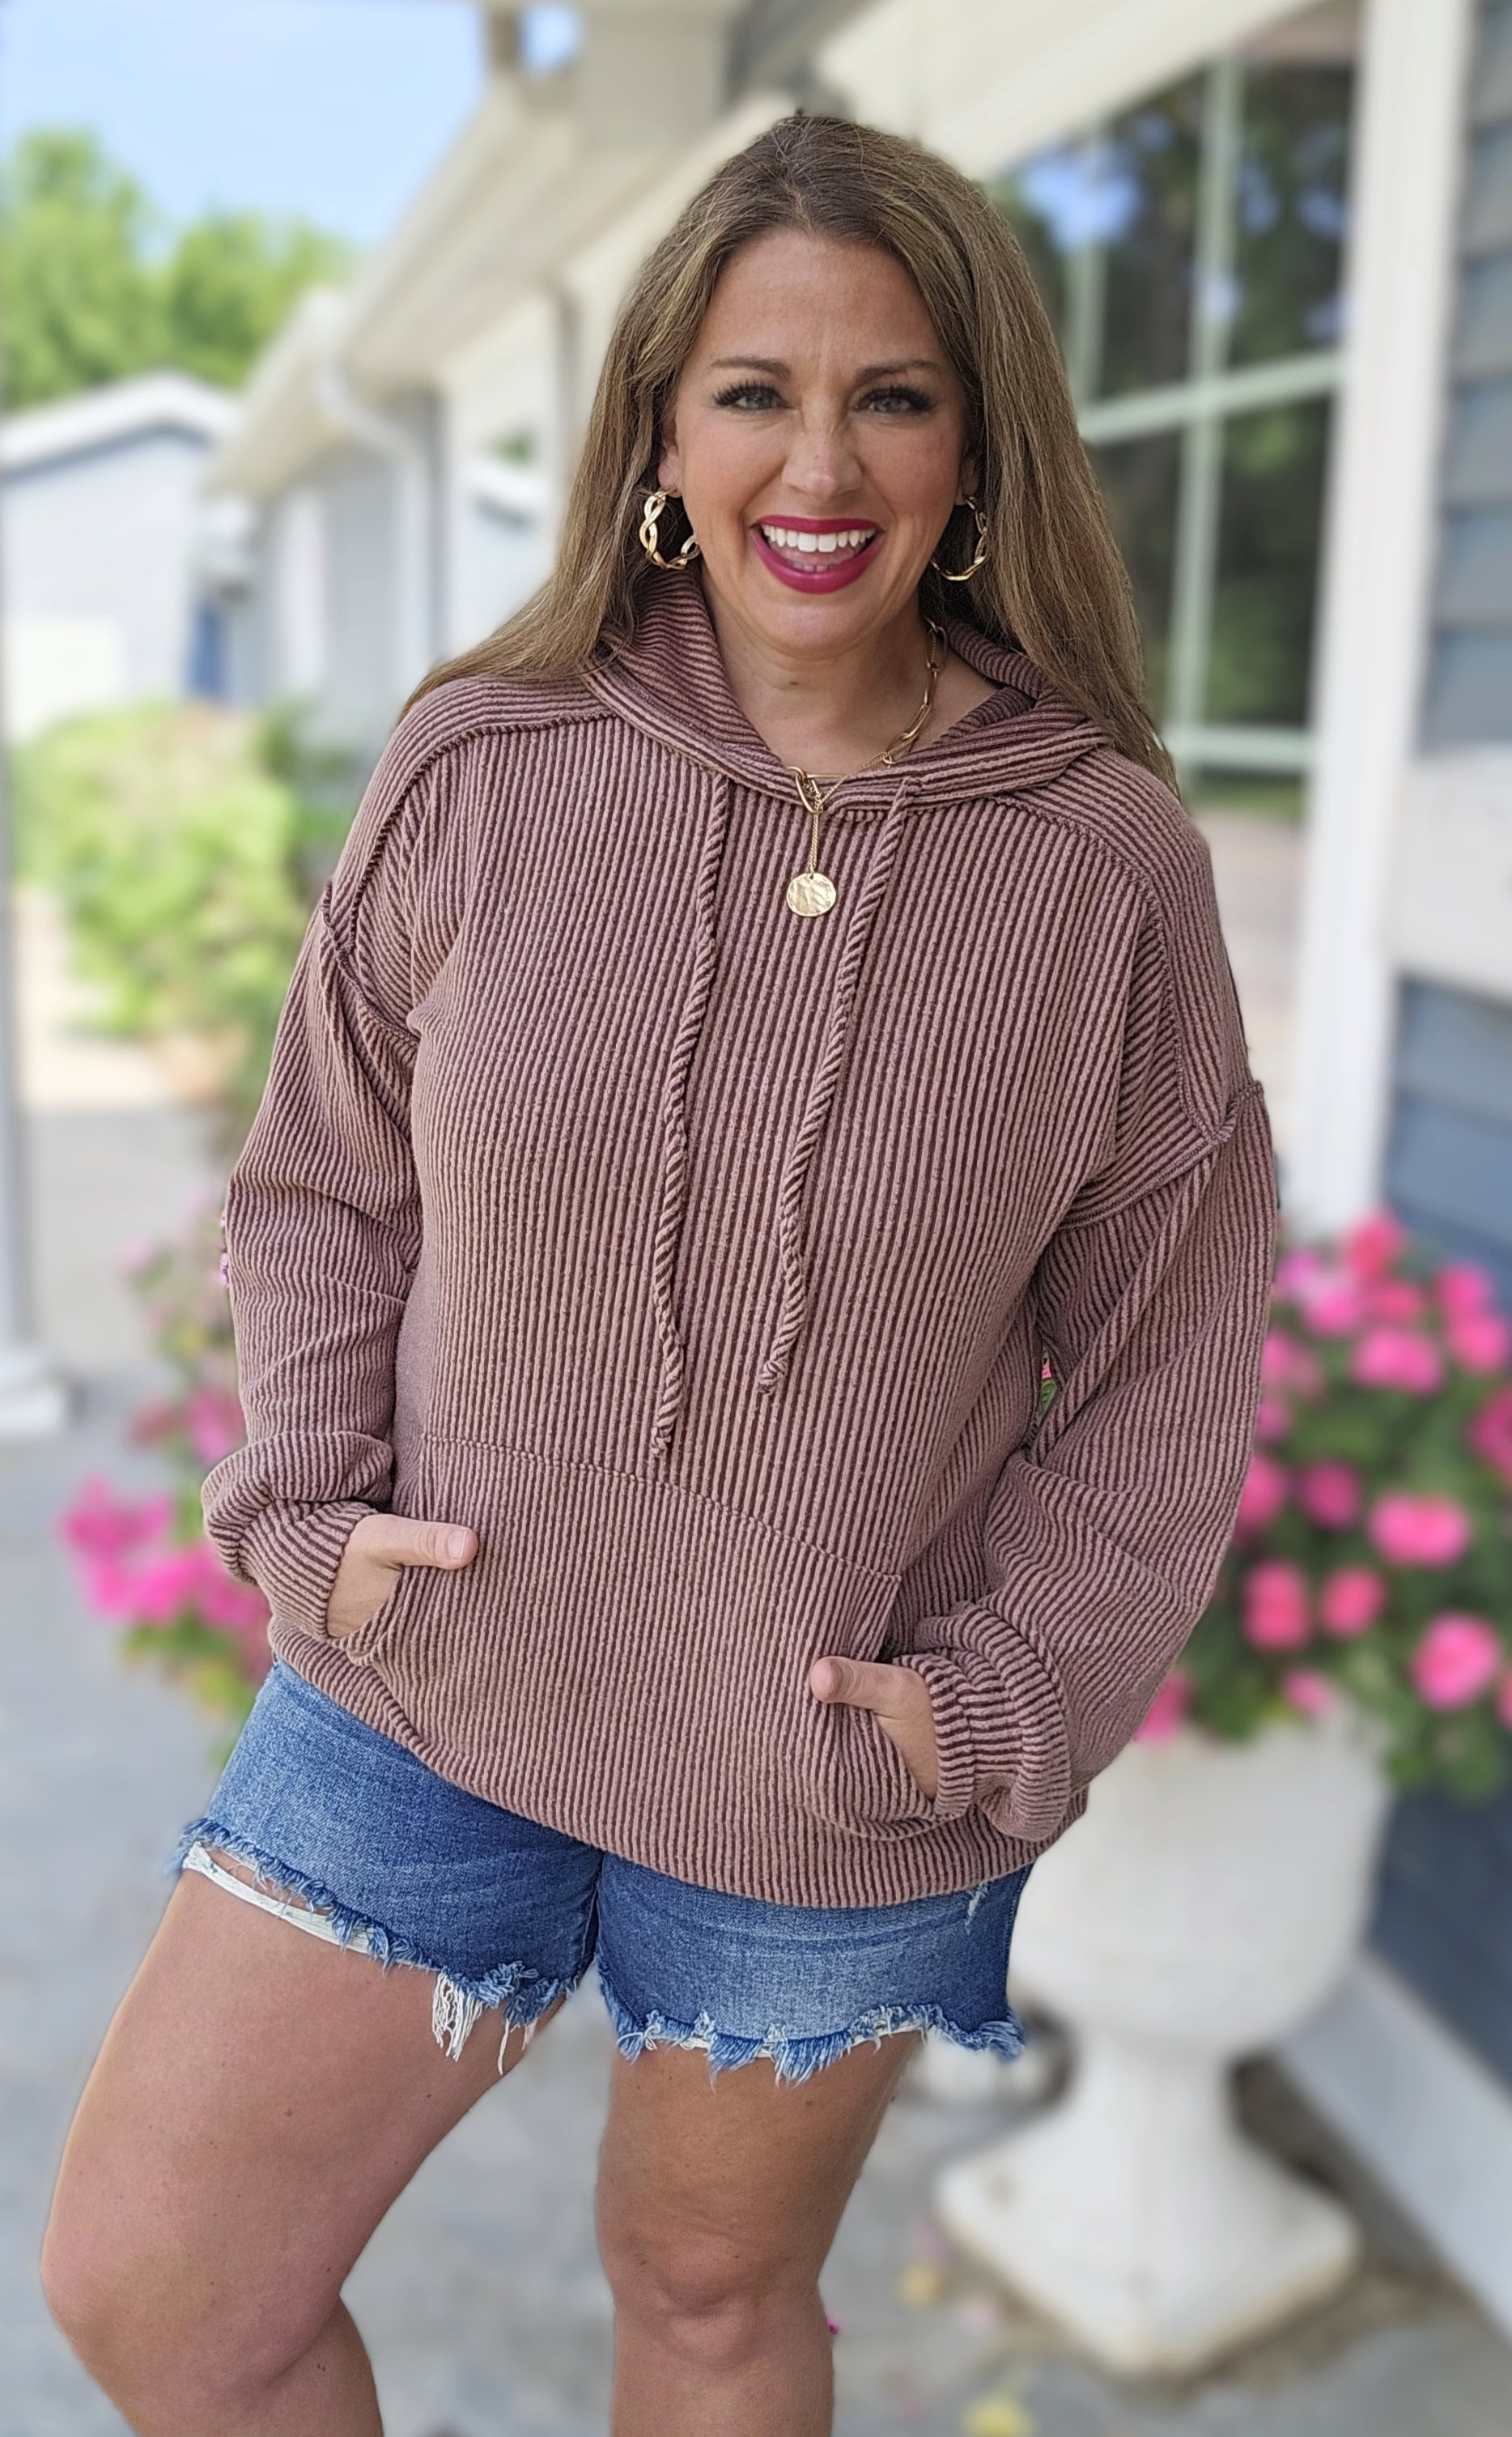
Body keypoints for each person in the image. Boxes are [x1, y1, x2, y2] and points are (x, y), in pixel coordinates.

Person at [41, 112, 1277, 2437]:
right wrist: (305, 1504)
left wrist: (1001, 1694)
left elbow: (1167, 1350)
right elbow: (326, 1186)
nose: (819, 463)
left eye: (892, 395)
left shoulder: (1103, 865)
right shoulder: (482, 764)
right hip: (430, 1682)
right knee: (159, 2288)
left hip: (829, 1767)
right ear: (658, 435)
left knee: (710, 2302)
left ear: (976, 447)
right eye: (752, 392)